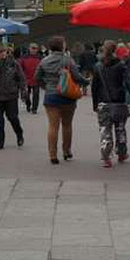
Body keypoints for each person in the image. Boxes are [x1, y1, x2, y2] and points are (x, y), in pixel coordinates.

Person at [35, 36, 89, 165]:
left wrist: (46, 86)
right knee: (67, 125)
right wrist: (86, 82)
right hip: (67, 96)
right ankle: (66, 151)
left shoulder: (44, 61)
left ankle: (52, 155)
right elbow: (76, 77)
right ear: (62, 46)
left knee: (53, 126)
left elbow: (37, 77)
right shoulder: (68, 60)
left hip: (51, 96)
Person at [92, 41, 130, 168]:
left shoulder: (98, 66)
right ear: (115, 50)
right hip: (118, 102)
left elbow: (95, 87)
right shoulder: (121, 65)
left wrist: (95, 104)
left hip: (103, 103)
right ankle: (122, 153)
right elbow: (128, 84)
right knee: (120, 129)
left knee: (105, 130)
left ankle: (106, 157)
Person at [0, 43, 25, 150]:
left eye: (4, 51)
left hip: (11, 95)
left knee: (12, 117)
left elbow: (21, 78)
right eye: (0, 52)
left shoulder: (14, 64)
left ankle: (19, 133)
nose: (3, 54)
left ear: (7, 52)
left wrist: (23, 92)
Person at [19, 43, 42, 113]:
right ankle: (28, 104)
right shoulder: (24, 58)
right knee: (26, 94)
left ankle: (34, 108)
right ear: (29, 48)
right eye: (32, 48)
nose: (34, 50)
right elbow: (20, 68)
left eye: (35, 48)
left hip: (36, 79)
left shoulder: (40, 58)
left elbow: (42, 68)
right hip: (26, 79)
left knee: (36, 94)